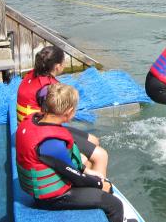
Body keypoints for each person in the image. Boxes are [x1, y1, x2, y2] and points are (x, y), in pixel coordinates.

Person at [15, 83, 135, 222]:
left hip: (53, 183)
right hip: (51, 199)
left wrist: (96, 177)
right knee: (115, 205)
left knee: (103, 181)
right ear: (69, 112)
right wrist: (99, 184)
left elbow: (69, 167)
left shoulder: (35, 121)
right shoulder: (52, 144)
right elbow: (75, 178)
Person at [16, 45, 105, 173]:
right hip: (41, 133)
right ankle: (98, 186)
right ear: (57, 66)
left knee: (94, 140)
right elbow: (56, 116)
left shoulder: (32, 74)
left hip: (30, 125)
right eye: (64, 63)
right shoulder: (48, 89)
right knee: (95, 157)